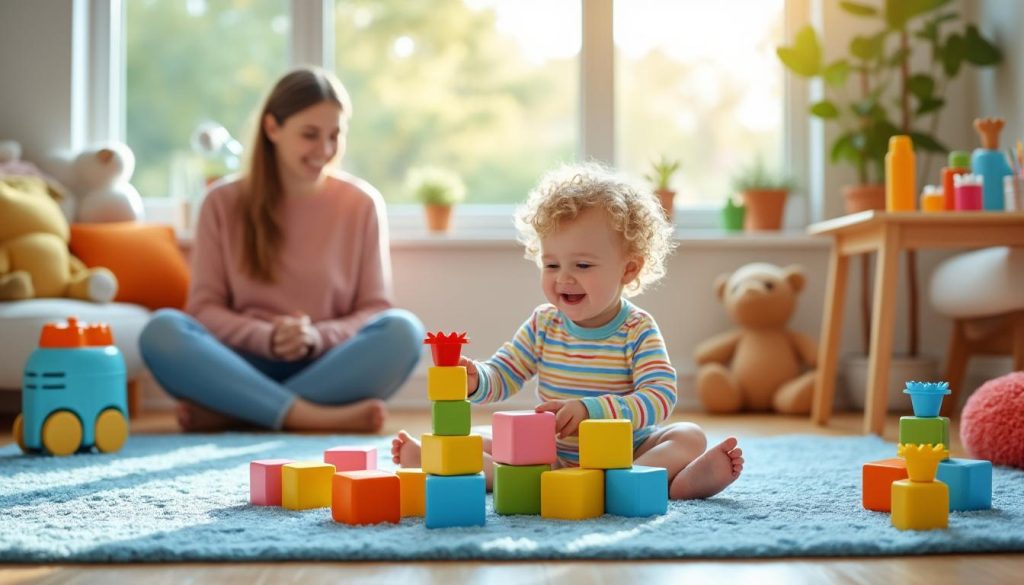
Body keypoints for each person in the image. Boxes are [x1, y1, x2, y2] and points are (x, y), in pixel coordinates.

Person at [391, 163, 743, 499]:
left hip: (626, 452)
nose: (563, 278)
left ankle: (644, 481)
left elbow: (660, 397)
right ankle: (448, 460)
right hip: (550, 452)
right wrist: (475, 379)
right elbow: (505, 373)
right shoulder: (545, 324)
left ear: (629, 269)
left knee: (689, 436)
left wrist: (591, 410)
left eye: (583, 265)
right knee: (479, 437)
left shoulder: (637, 329)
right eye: (551, 264)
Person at [139, 67, 424, 433]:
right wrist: (268, 337)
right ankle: (306, 416)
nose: (324, 150)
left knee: (404, 331)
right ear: (272, 128)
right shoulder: (220, 202)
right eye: (310, 135)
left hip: (329, 362)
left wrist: (317, 337)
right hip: (240, 363)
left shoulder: (362, 203)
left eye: (335, 136)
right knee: (161, 330)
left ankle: (238, 412)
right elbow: (204, 310)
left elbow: (375, 309)